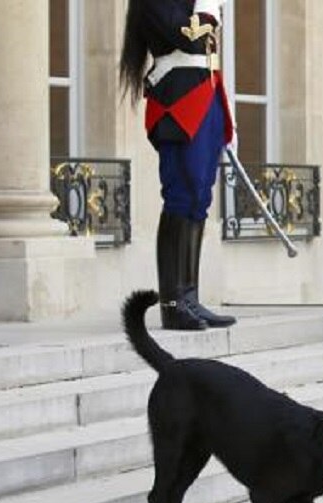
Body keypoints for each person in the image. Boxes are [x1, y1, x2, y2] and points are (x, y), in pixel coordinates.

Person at [119, 0, 236, 331]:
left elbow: (205, 48)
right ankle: (172, 303)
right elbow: (188, 35)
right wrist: (210, 10)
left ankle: (190, 297)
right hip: (178, 99)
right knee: (182, 197)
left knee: (200, 199)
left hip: (205, 92)